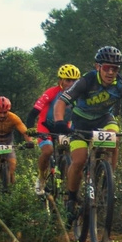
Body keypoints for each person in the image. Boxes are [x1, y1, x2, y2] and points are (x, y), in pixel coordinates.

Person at [49, 46, 122, 219]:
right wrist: (59, 121)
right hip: (81, 122)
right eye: (106, 68)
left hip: (104, 119)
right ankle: (71, 198)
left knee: (114, 140)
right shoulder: (86, 81)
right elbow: (61, 102)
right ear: (98, 67)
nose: (110, 72)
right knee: (79, 161)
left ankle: (107, 182)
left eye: (115, 69)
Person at [26, 64, 80, 195]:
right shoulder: (51, 92)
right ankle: (41, 178)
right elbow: (33, 113)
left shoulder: (78, 96)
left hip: (64, 128)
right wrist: (31, 128)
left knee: (71, 153)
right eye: (68, 80)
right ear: (60, 80)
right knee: (48, 150)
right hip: (46, 126)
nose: (71, 83)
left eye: (74, 81)